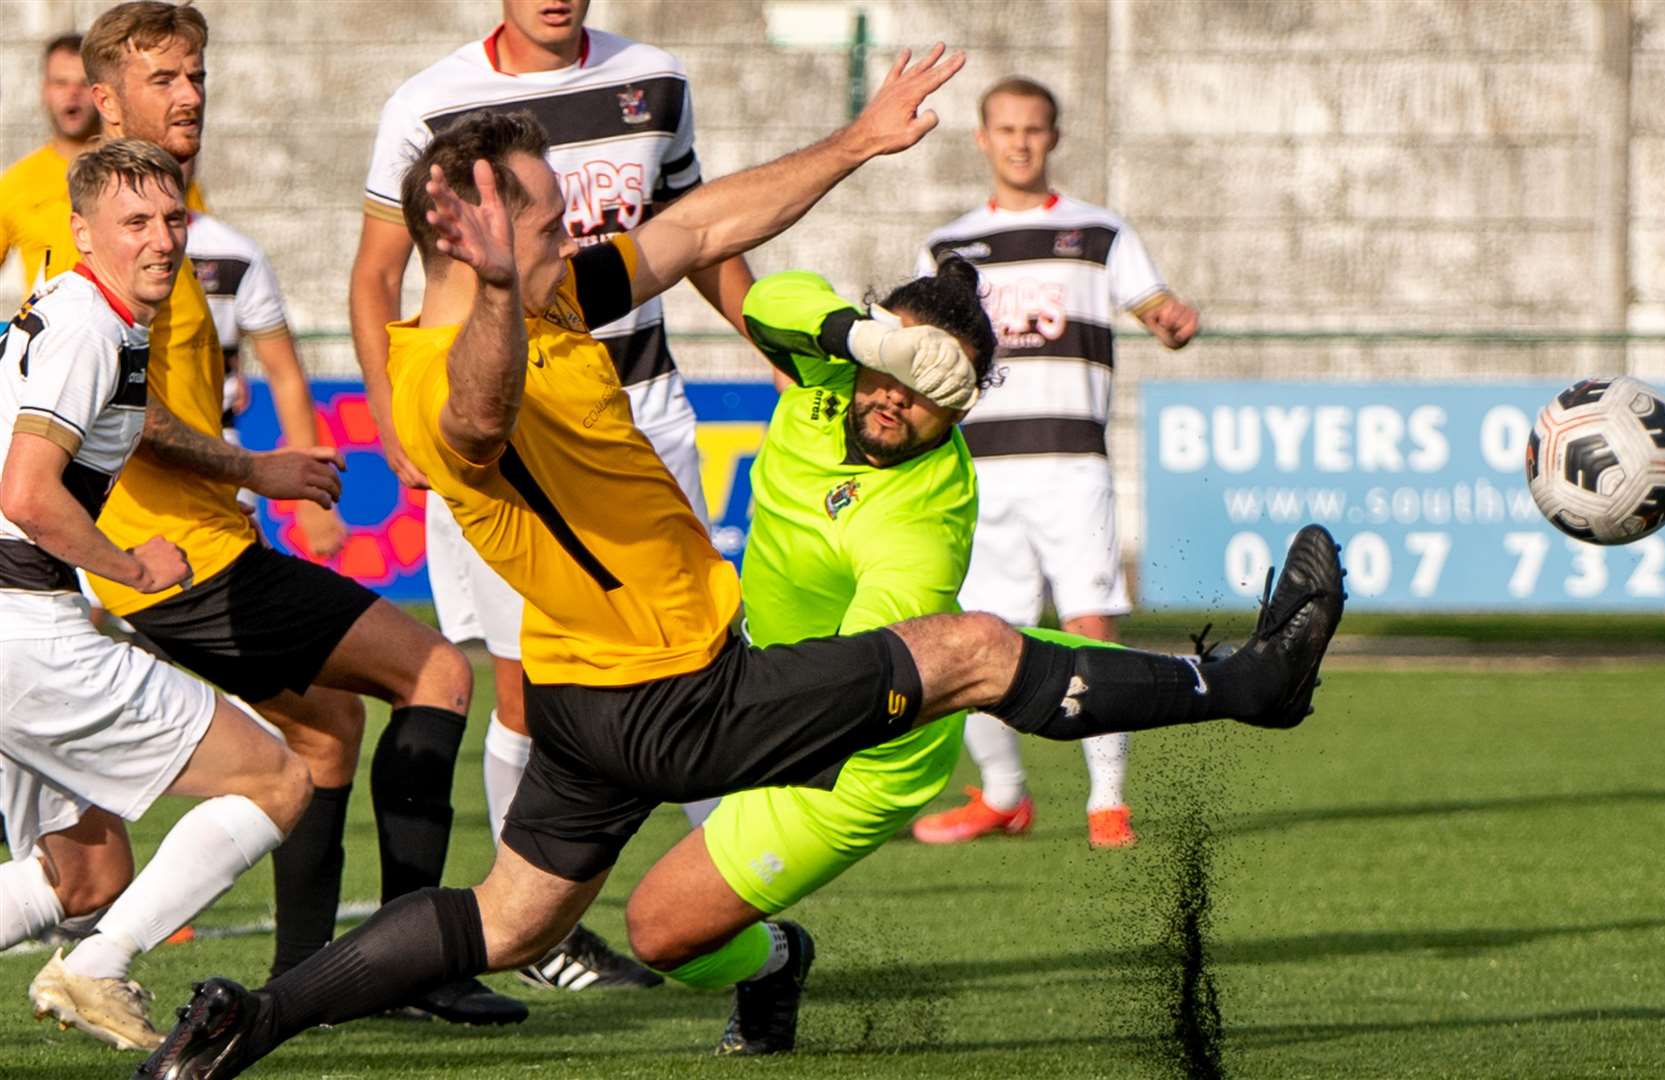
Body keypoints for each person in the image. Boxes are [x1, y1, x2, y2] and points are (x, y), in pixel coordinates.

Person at [138, 53, 1343, 1079]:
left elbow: (699, 228)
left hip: (585, 695)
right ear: (468, 227)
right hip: (671, 695)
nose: (574, 232)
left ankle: (253, 1022)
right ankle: (1250, 686)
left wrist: (858, 143)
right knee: (970, 651)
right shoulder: (451, 359)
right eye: (548, 217)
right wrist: (506, 290)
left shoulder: (548, 296)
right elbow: (471, 419)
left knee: (505, 919)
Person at [28, 2, 525, 1024]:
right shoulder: (119, 225)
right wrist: (254, 466)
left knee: (328, 733)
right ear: (106, 95)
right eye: (164, 79)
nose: (190, 95)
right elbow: (129, 406)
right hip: (182, 559)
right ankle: (415, 959)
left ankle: (315, 981)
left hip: (184, 552)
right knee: (433, 671)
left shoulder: (160, 210)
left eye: (197, 75)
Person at [350, 0, 745, 988]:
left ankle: (735, 903)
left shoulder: (654, 80)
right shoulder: (428, 103)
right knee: (525, 686)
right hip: (507, 417)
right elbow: (375, 276)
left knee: (701, 655)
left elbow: (693, 234)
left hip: (639, 401)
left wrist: (770, 345)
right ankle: (542, 933)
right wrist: (395, 421)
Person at [620, 257, 996, 1055]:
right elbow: (769, 298)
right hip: (754, 685)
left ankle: (776, 960)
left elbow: (859, 674)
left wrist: (738, 718)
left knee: (661, 935)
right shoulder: (829, 375)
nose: (895, 392)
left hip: (846, 745)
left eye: (931, 384)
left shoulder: (923, 521)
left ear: (963, 406)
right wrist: (861, 339)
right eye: (890, 365)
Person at [0, 138, 312, 1053]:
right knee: (277, 777)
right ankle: (97, 969)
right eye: (134, 221)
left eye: (173, 217)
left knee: (85, 874)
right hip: (25, 626)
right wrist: (128, 567)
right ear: (82, 230)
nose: (162, 238)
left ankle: (93, 950)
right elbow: (25, 490)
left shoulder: (69, 307)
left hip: (18, 621)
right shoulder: (93, 326)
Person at [911, 76, 1202, 850]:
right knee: (979, 635)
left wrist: (1170, 319)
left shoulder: (1098, 232)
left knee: (1089, 623)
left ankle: (1107, 801)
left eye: (1033, 129)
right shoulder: (947, 248)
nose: (1019, 142)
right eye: (1005, 129)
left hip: (1071, 463)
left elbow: (1154, 306)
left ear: (1053, 137)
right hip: (978, 466)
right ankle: (1003, 795)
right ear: (982, 138)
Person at [187, 209, 346, 558]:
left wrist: (311, 497)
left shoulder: (234, 253)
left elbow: (285, 373)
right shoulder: (78, 236)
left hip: (217, 449)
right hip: (112, 453)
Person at [0, 33, 102, 294]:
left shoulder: (140, 171)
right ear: (44, 90)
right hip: (49, 331)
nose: (72, 94)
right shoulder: (16, 182)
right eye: (61, 83)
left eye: (83, 83)